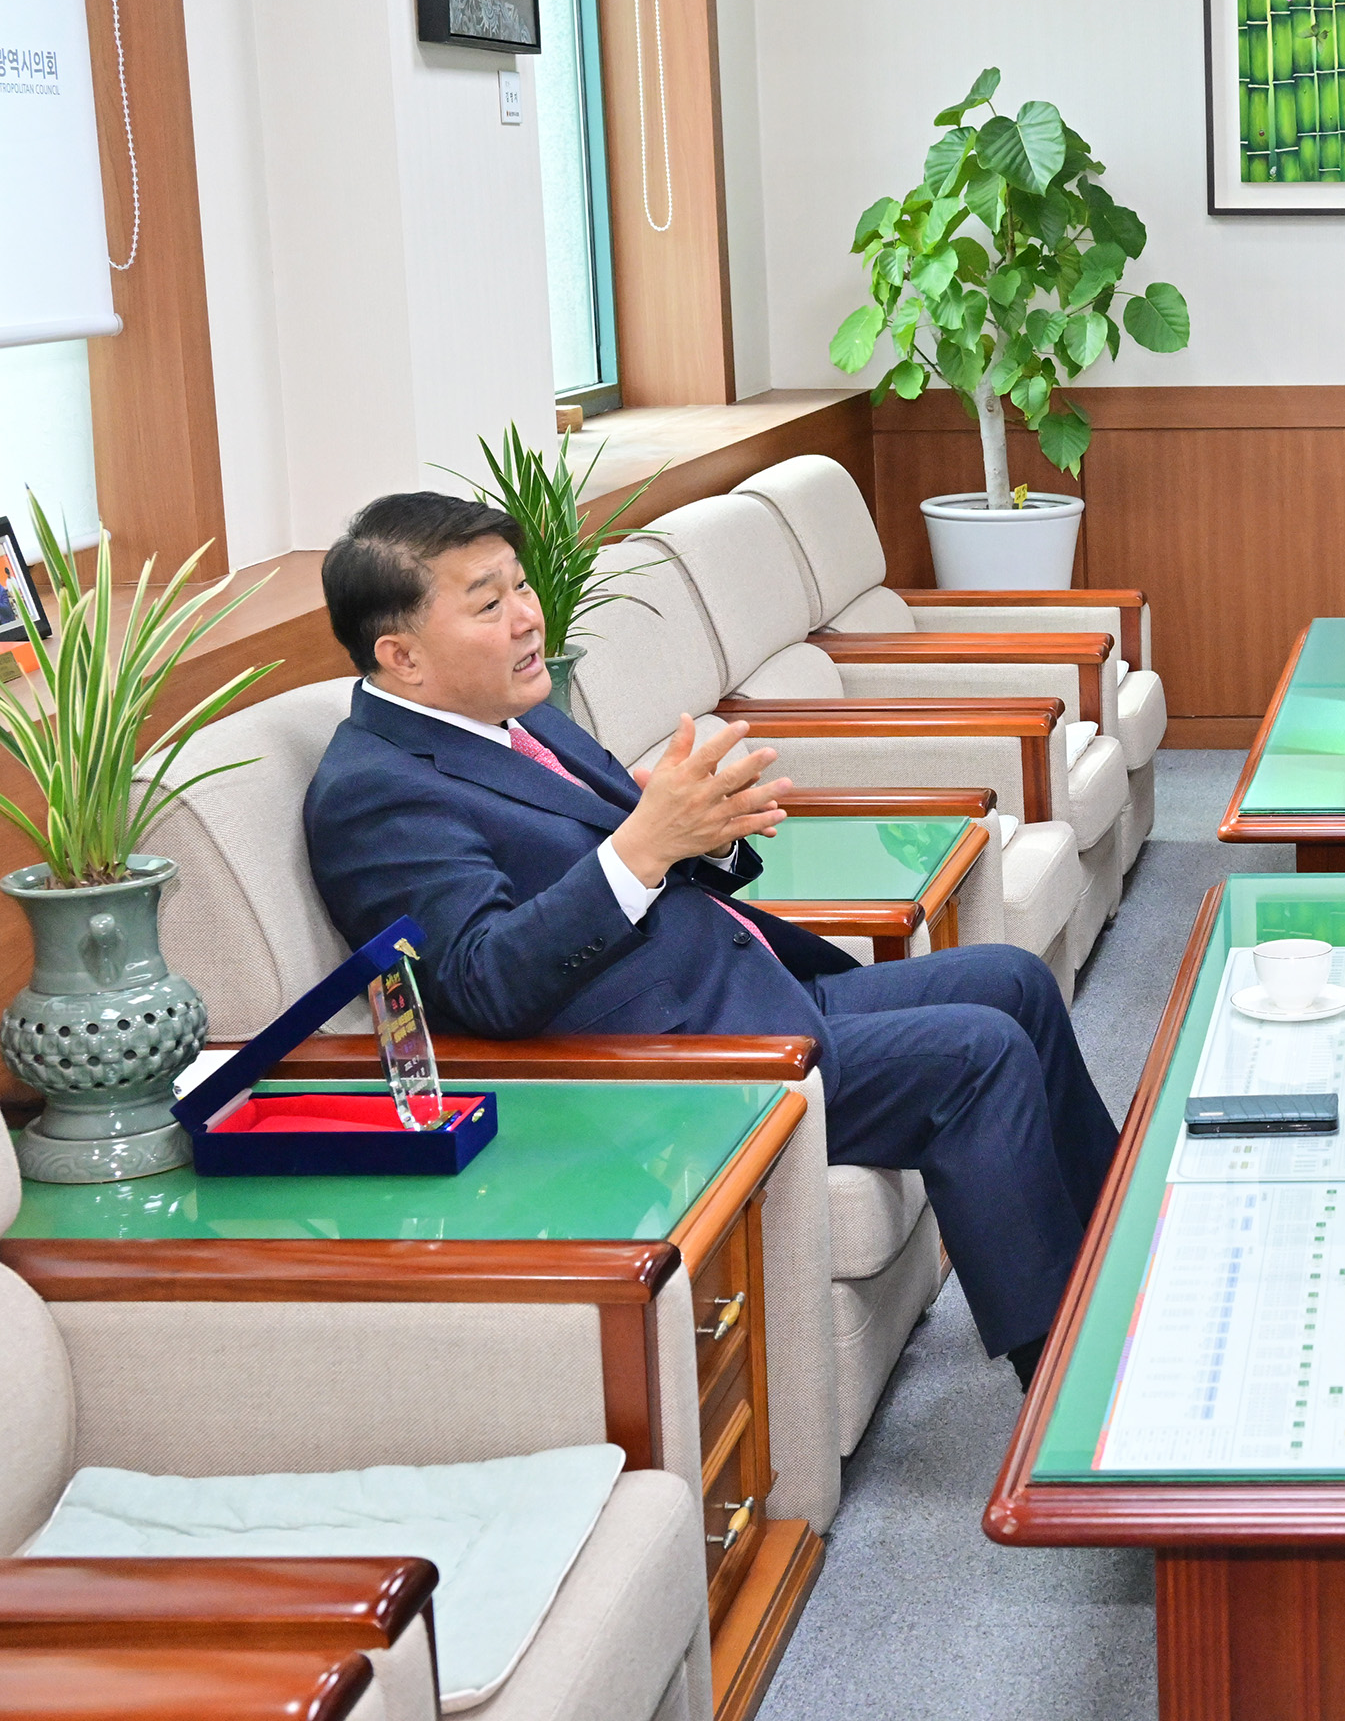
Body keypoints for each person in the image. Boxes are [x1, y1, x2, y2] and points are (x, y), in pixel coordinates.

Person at [302, 492, 1117, 1386]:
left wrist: (709, 828)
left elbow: (638, 848)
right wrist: (644, 842)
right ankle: (1066, 1383)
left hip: (744, 991)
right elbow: (484, 981)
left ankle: (1115, 1269)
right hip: (680, 1072)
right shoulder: (372, 795)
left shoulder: (521, 713)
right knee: (980, 1051)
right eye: (489, 603)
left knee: (1012, 981)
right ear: (402, 655)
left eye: (523, 587)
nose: (530, 616)